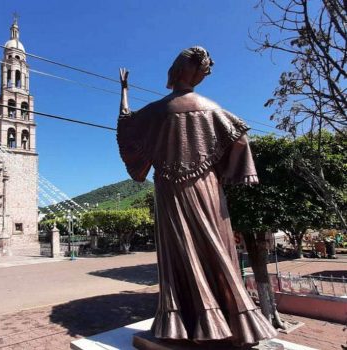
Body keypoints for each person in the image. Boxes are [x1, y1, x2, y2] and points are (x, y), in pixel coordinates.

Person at [117, 47, 277, 347]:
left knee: (178, 253)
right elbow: (241, 135)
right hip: (207, 189)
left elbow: (128, 126)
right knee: (217, 247)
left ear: (176, 71)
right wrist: (232, 170)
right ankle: (233, 322)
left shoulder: (157, 110)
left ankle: (183, 324)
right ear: (197, 73)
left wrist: (124, 92)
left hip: (169, 191)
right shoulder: (211, 107)